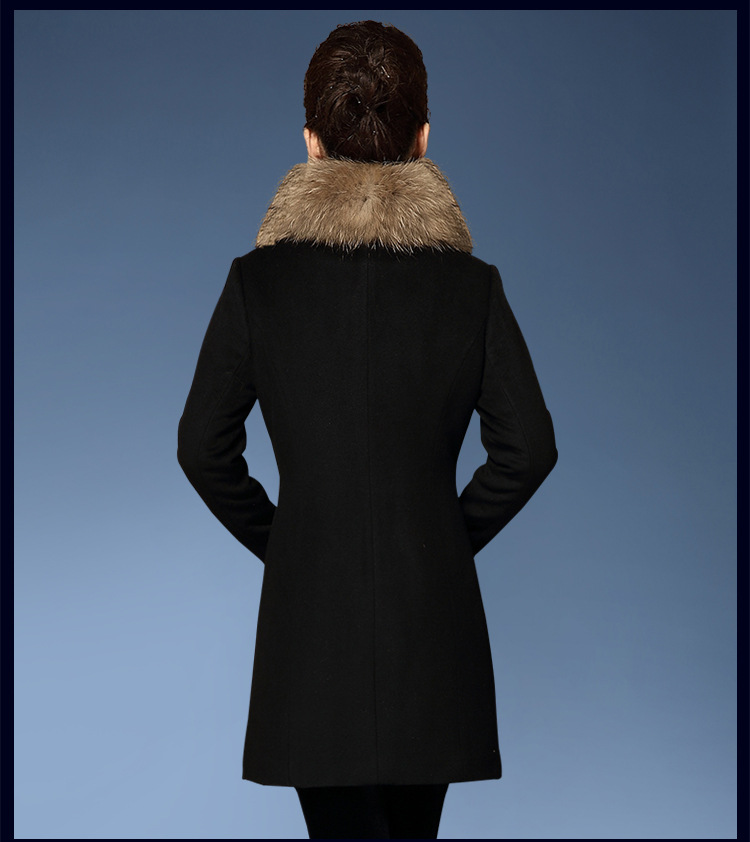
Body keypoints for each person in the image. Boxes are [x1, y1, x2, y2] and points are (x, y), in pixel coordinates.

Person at [177, 19, 558, 840]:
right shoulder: (471, 288)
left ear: (311, 144)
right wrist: (437, 540)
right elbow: (528, 449)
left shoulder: (258, 285)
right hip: (433, 638)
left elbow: (202, 448)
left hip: (311, 641)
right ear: (423, 140)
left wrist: (293, 543)